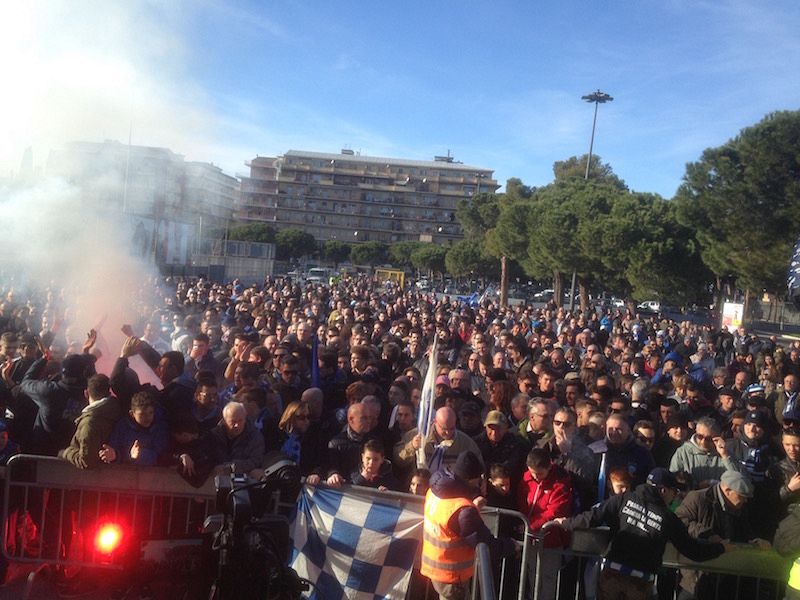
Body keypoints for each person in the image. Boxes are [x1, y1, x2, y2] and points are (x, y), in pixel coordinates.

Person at [551, 468, 735, 600]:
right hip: (639, 583)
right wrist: (720, 548)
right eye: (674, 491)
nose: (674, 496)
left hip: (611, 575)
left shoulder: (623, 498)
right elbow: (692, 550)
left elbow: (592, 517)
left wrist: (567, 522)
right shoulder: (668, 517)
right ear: (663, 490)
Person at [421, 451, 513, 600]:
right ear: (472, 479)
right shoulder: (463, 510)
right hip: (452, 576)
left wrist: (472, 506)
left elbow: (451, 525)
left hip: (436, 569)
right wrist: (510, 545)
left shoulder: (434, 492)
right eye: (479, 480)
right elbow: (485, 545)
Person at [675, 470, 770, 599]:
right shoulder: (697, 498)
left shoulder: (739, 507)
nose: (745, 500)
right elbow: (680, 521)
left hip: (725, 580)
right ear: (727, 490)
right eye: (742, 495)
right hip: (698, 576)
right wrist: (707, 534)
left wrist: (755, 540)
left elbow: (745, 530)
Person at [59, 373, 122, 469]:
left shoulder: (89, 423)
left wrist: (66, 453)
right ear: (109, 393)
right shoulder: (117, 411)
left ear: (86, 393)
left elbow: (86, 461)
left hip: (89, 480)